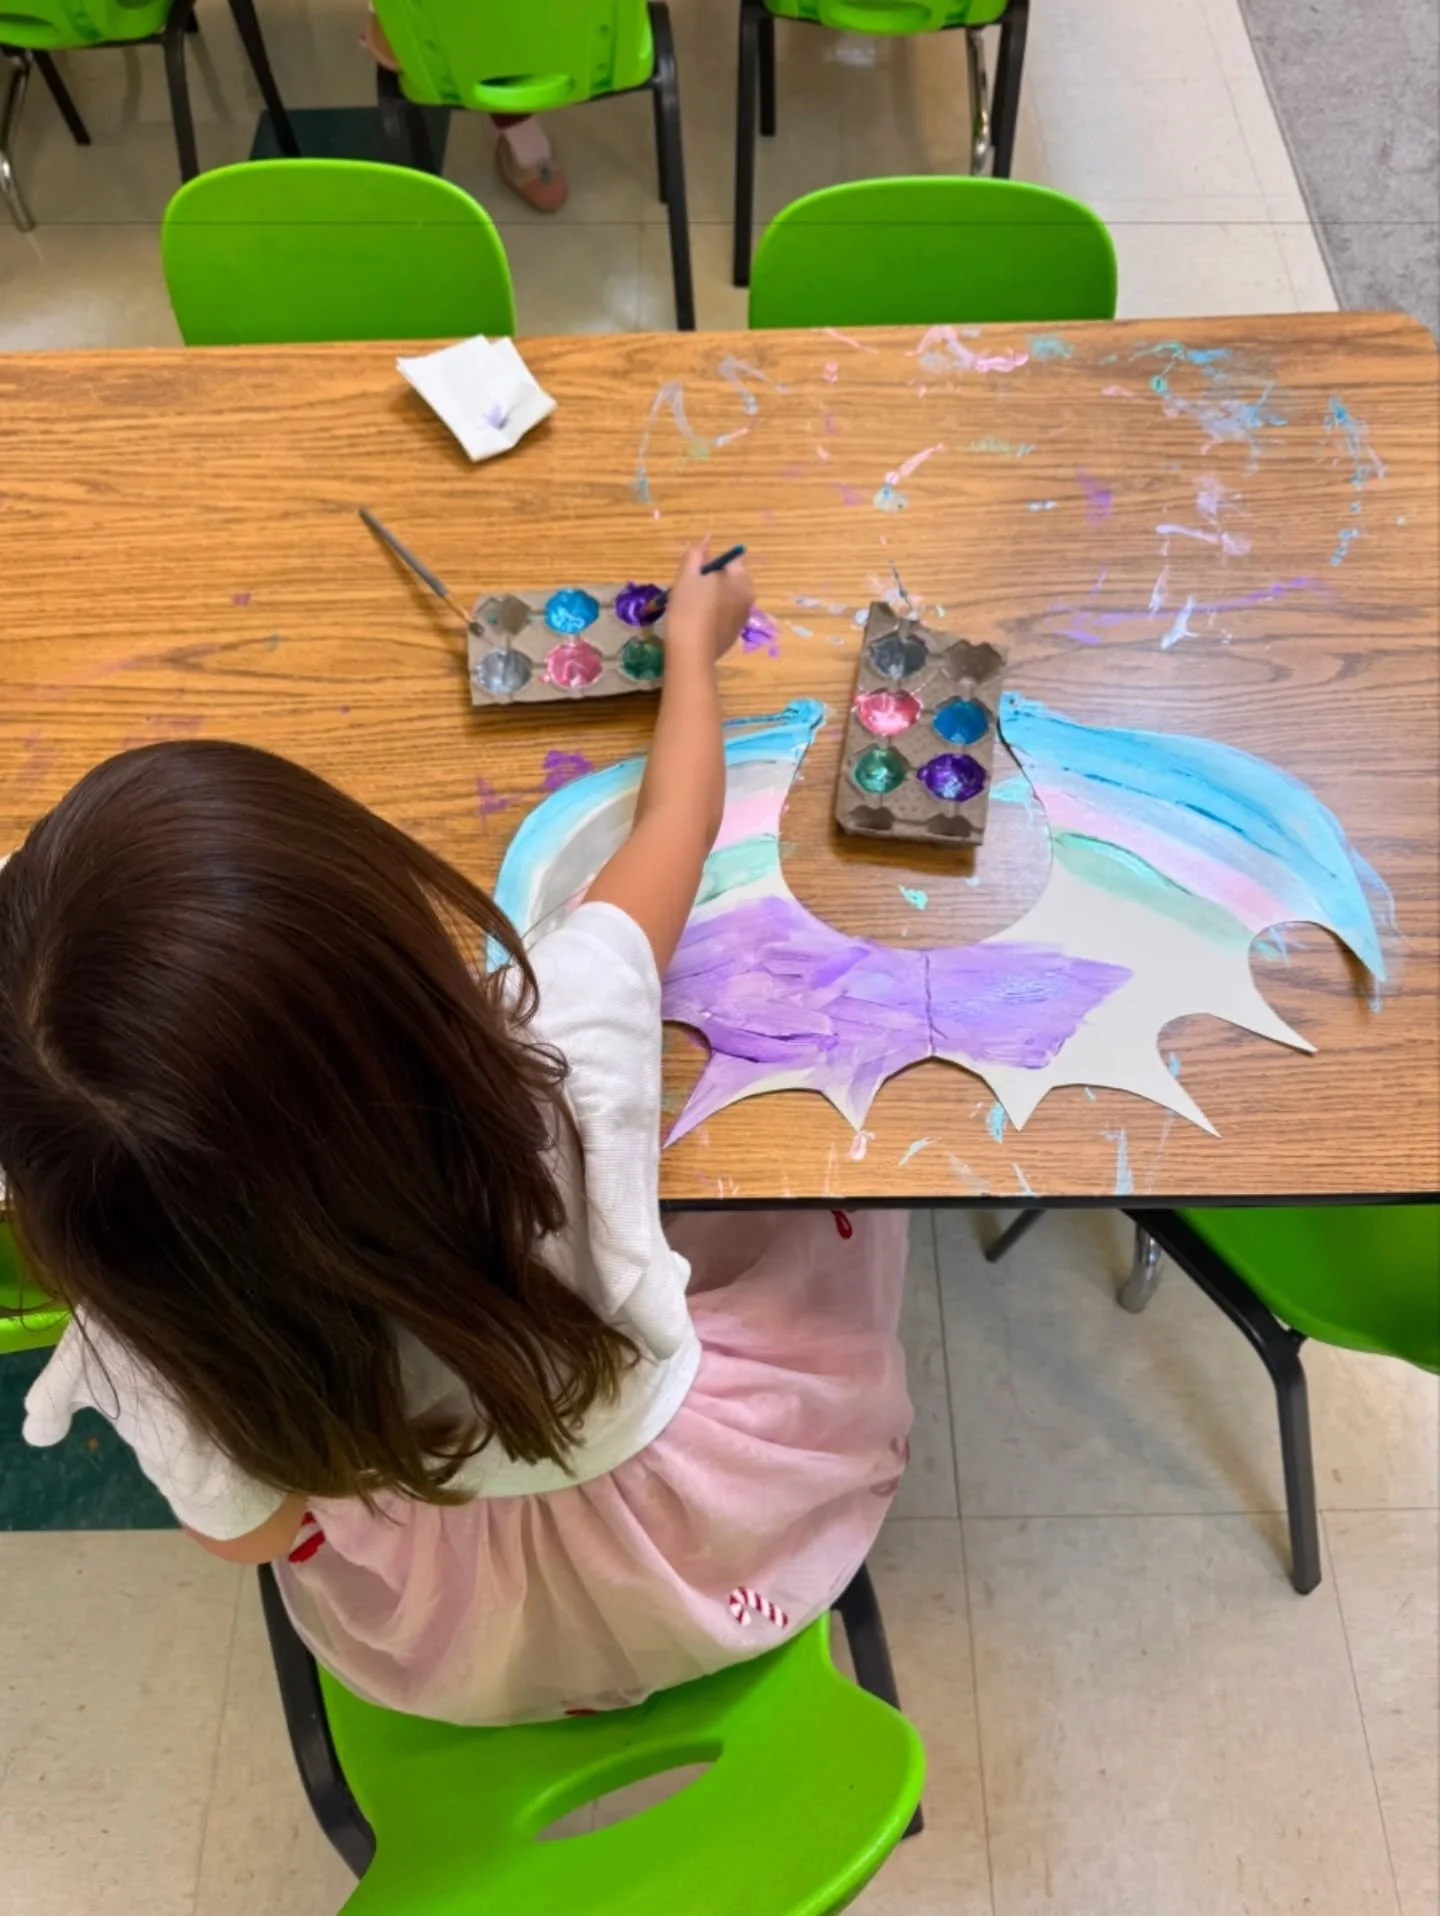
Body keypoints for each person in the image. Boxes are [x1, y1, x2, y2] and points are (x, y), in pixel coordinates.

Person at [0, 545, 912, 1726]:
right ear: (393, 945)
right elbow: (677, 827)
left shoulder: (146, 1316)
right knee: (827, 1204)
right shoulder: (556, 1062)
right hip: (715, 1526)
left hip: (467, 1647)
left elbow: (255, 1534)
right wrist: (691, 645)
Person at [363, 9, 568, 214]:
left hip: (444, 54)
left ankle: (527, 145)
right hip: (571, 44)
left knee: (474, 30)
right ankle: (533, 152)